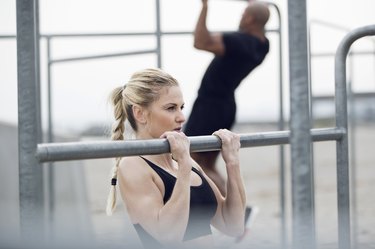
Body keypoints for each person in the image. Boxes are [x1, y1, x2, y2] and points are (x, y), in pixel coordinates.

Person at [106, 68, 246, 249]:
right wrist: (184, 165)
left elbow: (233, 225)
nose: (181, 117)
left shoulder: (185, 162)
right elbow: (168, 237)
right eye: (171, 108)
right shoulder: (133, 166)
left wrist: (232, 162)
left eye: (181, 107)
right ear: (140, 113)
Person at [184, 0, 270, 196]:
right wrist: (254, 5)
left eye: (243, 14)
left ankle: (229, 209)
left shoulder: (239, 42)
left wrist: (204, 7)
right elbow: (260, 15)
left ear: (249, 18)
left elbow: (200, 41)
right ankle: (235, 210)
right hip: (225, 107)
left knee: (193, 159)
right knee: (207, 164)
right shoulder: (262, 44)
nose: (240, 17)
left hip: (210, 107)